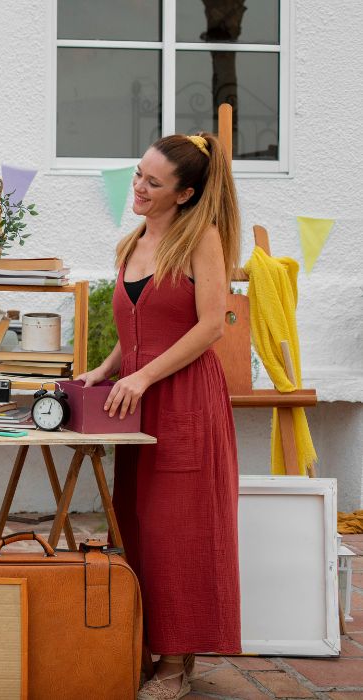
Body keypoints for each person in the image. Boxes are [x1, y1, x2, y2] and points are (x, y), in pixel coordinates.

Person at [77, 132, 241, 700]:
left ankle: (176, 665)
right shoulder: (130, 244)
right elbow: (138, 331)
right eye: (139, 175)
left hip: (186, 400)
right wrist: (105, 369)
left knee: (180, 532)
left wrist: (144, 376)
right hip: (135, 406)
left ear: (186, 193)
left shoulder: (203, 239)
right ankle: (143, 646)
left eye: (153, 183)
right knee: (139, 524)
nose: (138, 189)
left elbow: (211, 325)